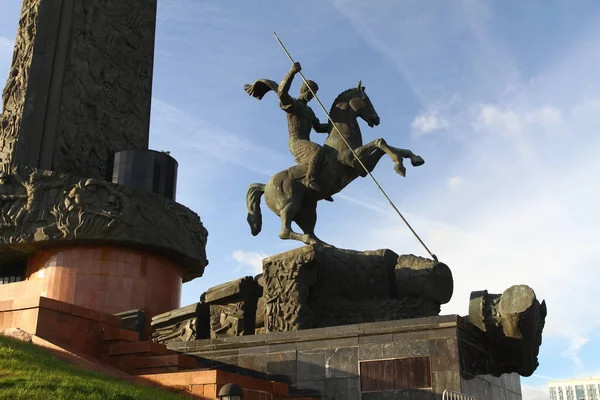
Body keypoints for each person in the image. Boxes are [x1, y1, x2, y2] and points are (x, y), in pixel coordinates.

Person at [245, 62, 330, 195]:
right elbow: (281, 92)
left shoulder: (309, 111)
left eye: (313, 93)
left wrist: (335, 124)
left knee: (328, 155)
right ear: (302, 90)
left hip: (305, 141)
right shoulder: (293, 104)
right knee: (318, 150)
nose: (311, 94)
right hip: (296, 142)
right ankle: (309, 179)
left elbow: (319, 128)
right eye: (309, 90)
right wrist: (292, 72)